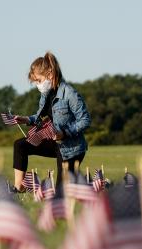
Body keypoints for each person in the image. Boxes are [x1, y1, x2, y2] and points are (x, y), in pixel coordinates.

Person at [12, 51, 91, 194]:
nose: (37, 85)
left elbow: (85, 120)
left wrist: (64, 133)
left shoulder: (69, 93)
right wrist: (25, 119)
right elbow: (40, 115)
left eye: (38, 80)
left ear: (50, 74)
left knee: (62, 192)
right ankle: (18, 188)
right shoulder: (46, 93)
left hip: (71, 149)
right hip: (53, 142)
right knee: (20, 145)